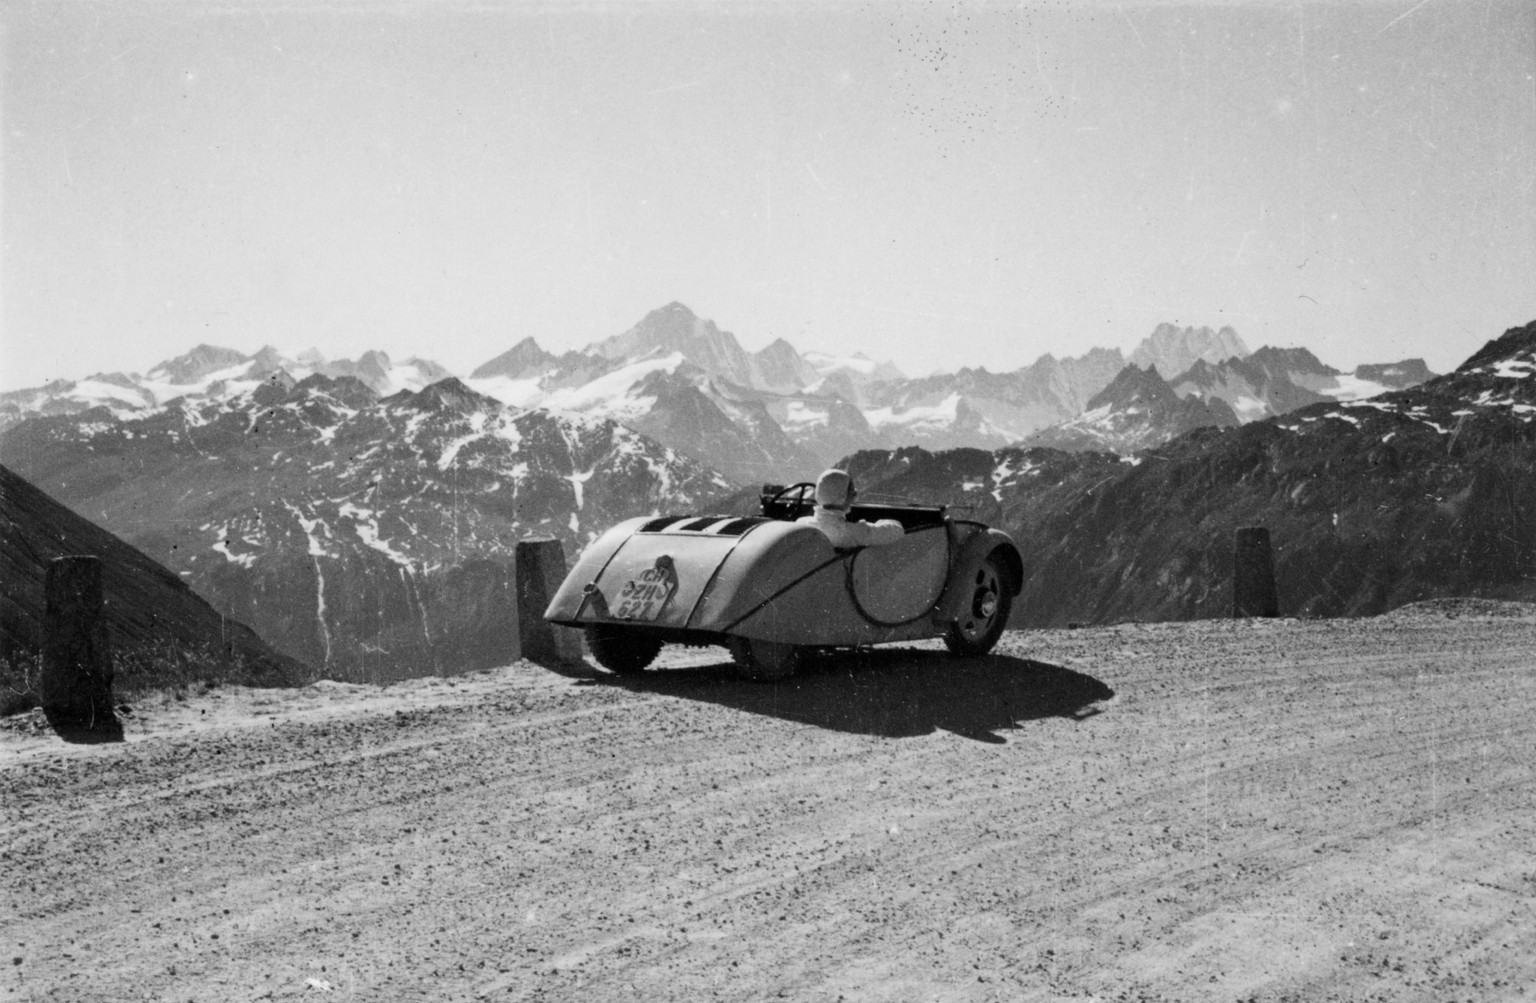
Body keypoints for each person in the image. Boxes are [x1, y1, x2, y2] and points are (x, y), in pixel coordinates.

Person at [797, 468, 905, 548]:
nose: (855, 496)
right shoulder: (852, 533)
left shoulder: (801, 524)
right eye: (852, 493)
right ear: (842, 497)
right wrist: (882, 521)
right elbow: (897, 531)